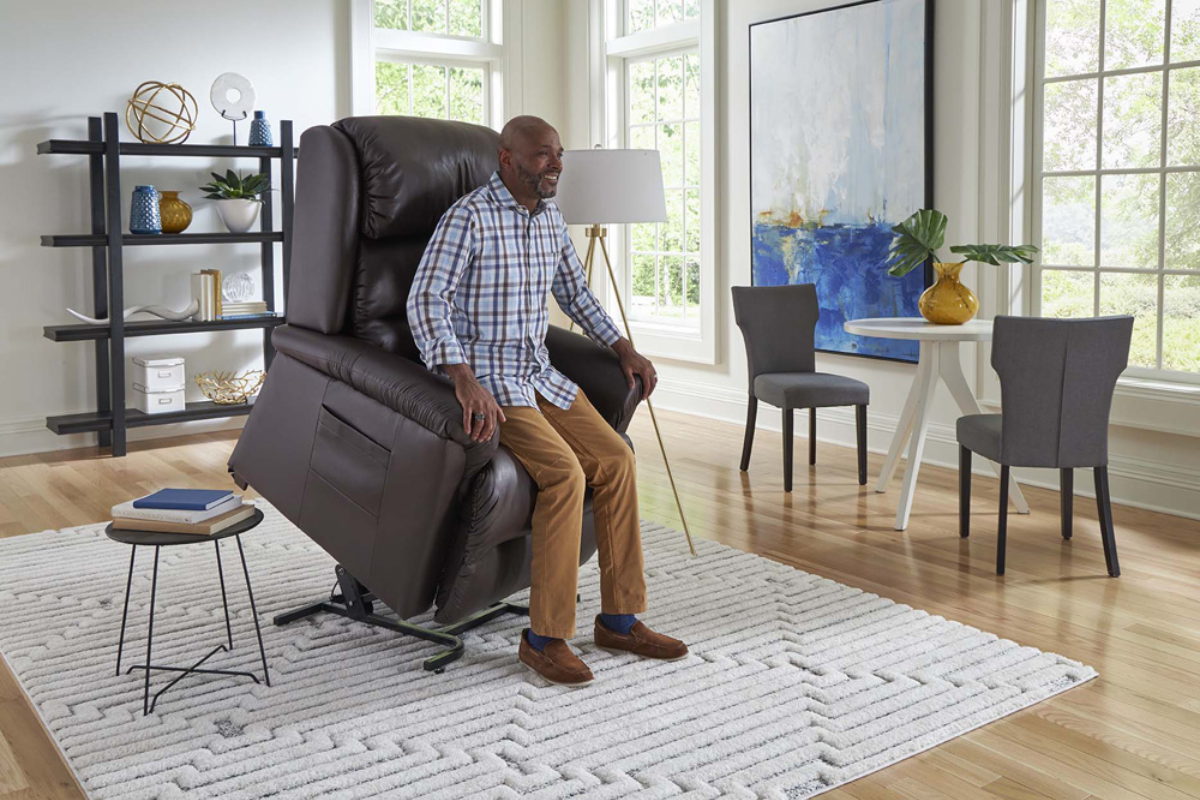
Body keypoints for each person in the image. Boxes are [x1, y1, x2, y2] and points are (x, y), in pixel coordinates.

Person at [406, 115, 688, 686]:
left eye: (558, 154)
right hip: (490, 382)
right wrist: (459, 374)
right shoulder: (469, 218)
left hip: (540, 374)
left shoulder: (550, 218)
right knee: (564, 474)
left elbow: (575, 293)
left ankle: (618, 618)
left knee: (617, 459)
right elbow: (425, 299)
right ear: (507, 159)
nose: (555, 163)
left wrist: (623, 347)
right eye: (542, 155)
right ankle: (544, 638)